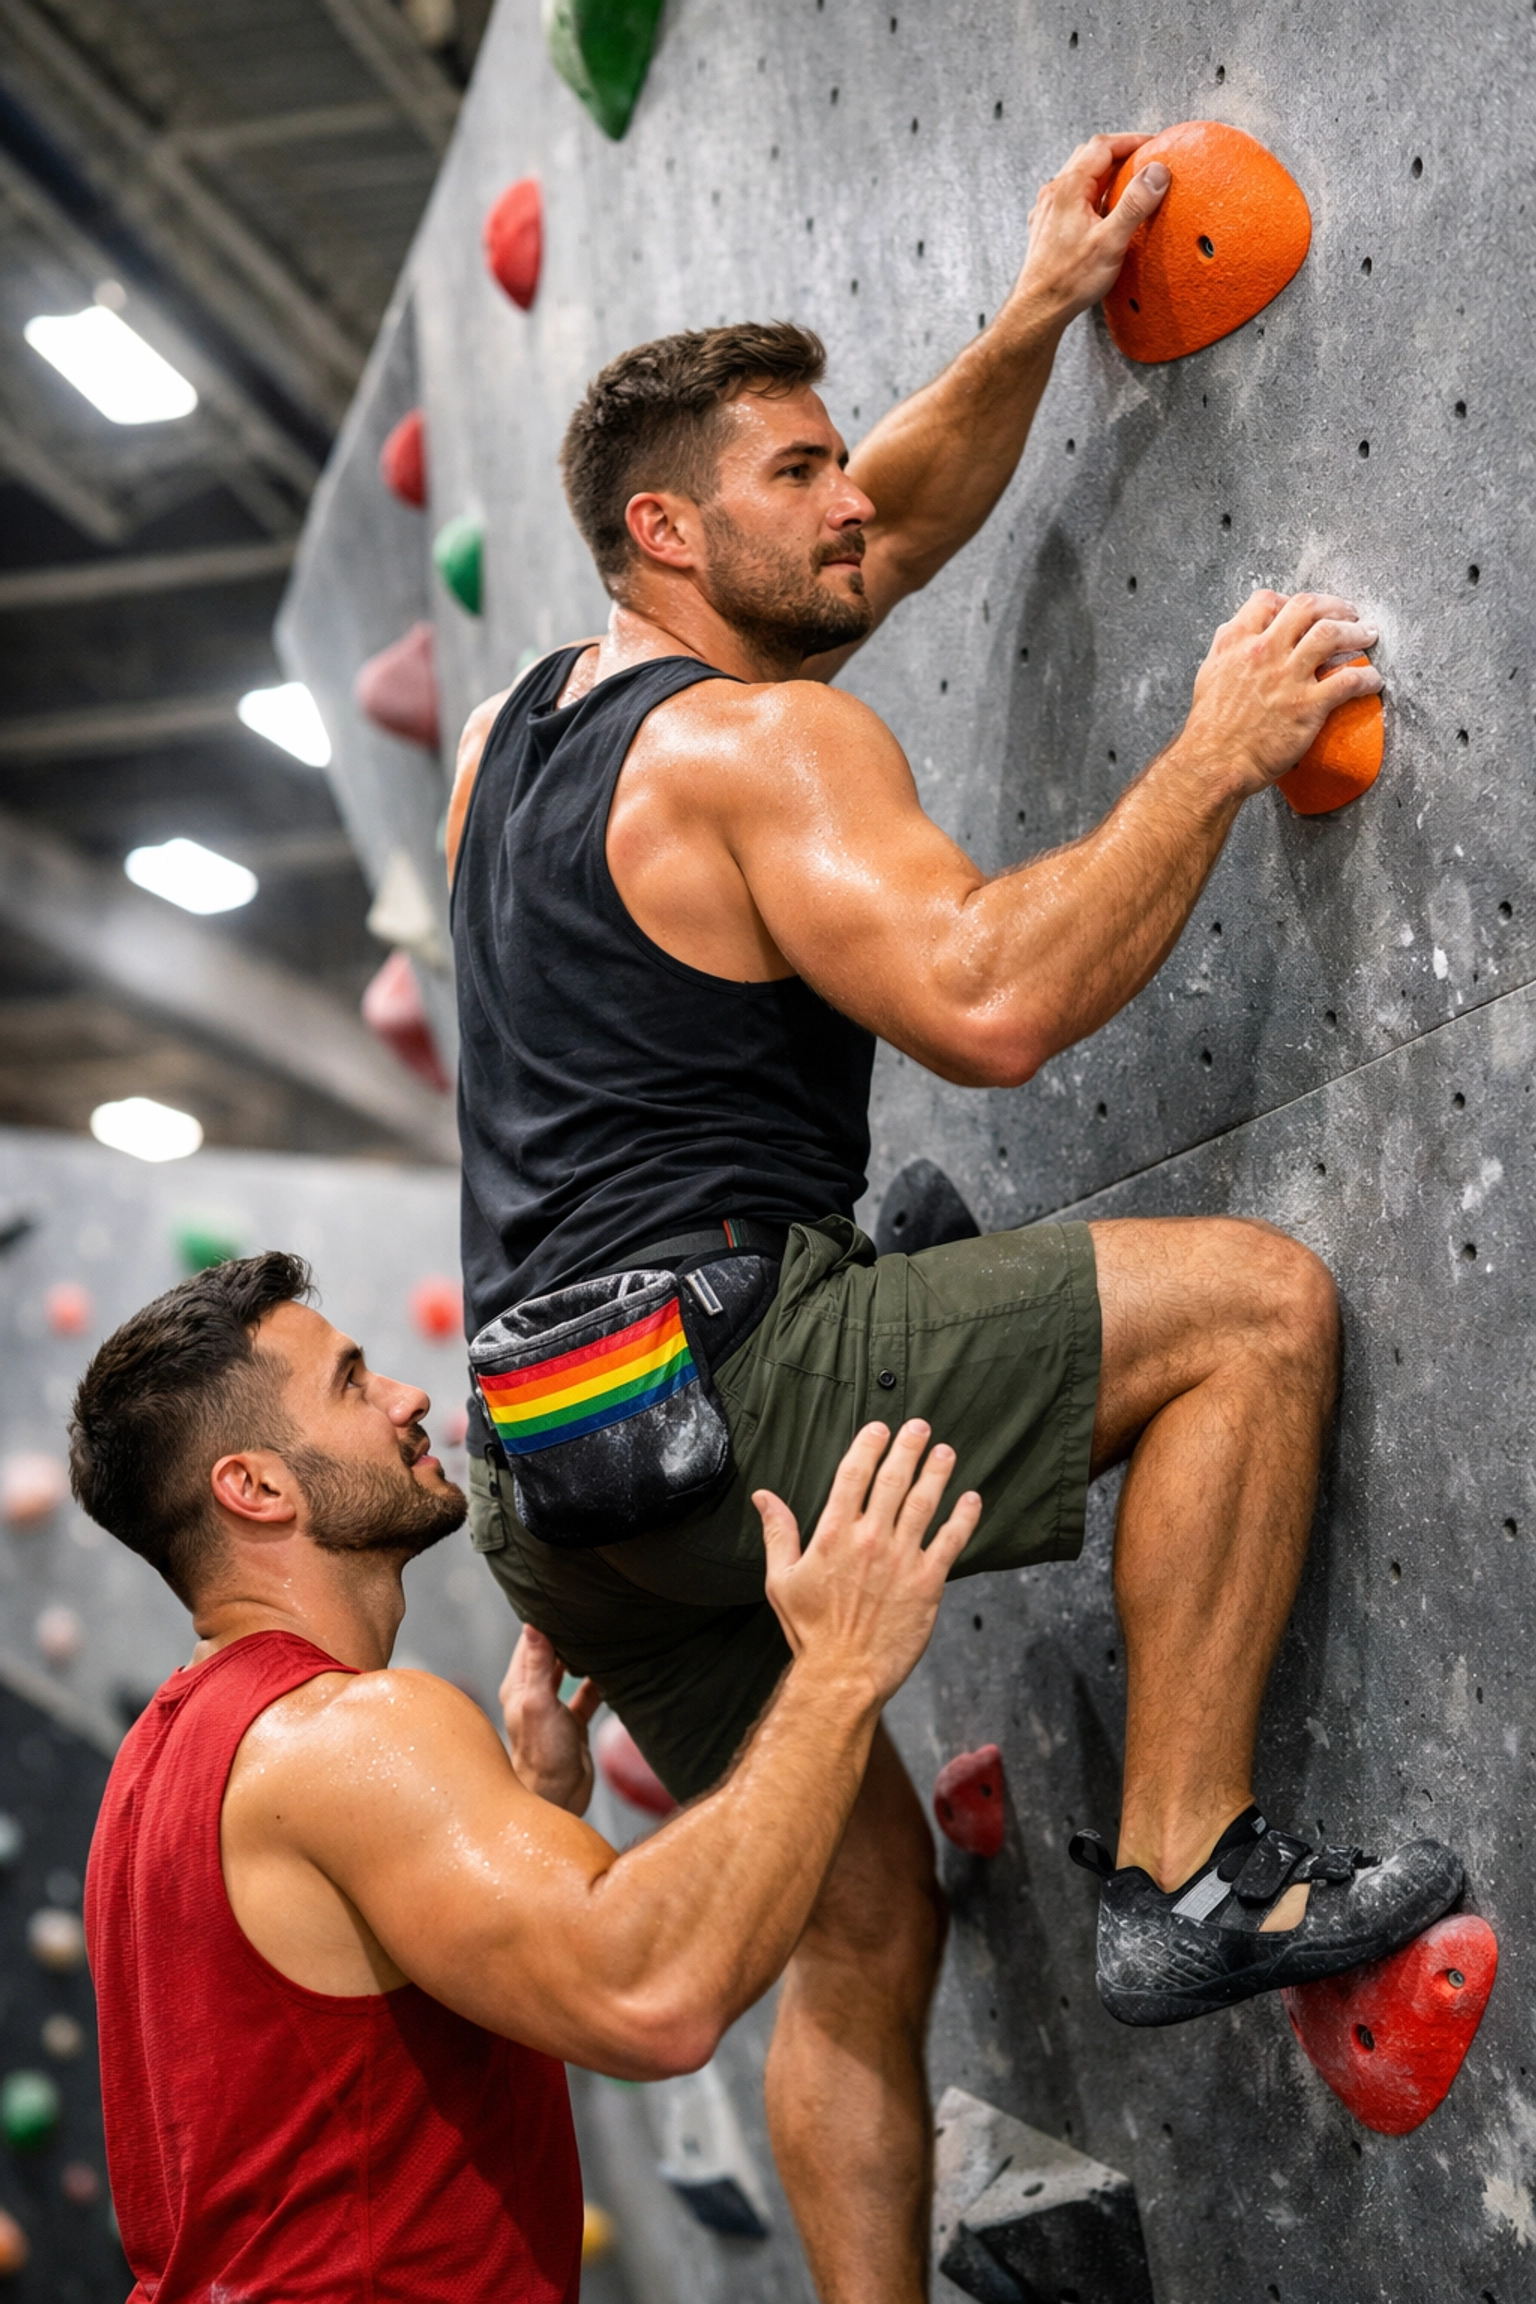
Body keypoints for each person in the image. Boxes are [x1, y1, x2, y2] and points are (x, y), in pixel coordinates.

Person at [446, 132, 1462, 2301]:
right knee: (1255, 1315)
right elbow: (990, 999)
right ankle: (1187, 1862)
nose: (850, 506)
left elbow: (890, 526)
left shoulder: (514, 743)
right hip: (745, 1378)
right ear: (671, 528)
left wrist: (1030, 317)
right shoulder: (755, 754)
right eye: (799, 472)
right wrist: (1209, 749)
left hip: (558, 1455)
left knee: (859, 1912)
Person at [70, 1251, 979, 2302]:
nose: (408, 1397)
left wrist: (527, 1809)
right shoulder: (342, 1736)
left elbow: (330, 2074)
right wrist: (837, 1672)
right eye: (352, 1381)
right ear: (257, 1488)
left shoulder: (155, 1776)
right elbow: (652, 2000)